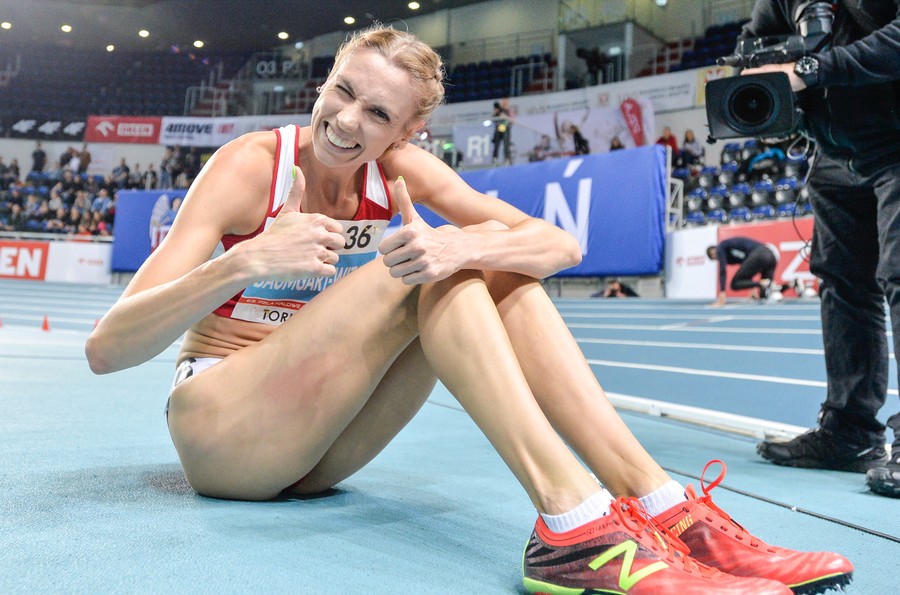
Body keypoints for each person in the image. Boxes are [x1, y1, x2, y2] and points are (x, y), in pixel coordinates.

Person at [86, 25, 852, 593]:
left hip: (315, 456)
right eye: (343, 92)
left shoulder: (404, 174)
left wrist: (464, 249)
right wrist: (244, 260)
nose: (349, 121)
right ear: (323, 85)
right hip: (221, 431)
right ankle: (572, 520)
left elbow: (560, 246)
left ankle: (660, 502)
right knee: (418, 264)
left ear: (409, 132)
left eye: (379, 115)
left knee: (478, 261)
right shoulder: (250, 167)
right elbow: (107, 348)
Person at [739, 0, 900, 499]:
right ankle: (849, 433)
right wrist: (757, 70)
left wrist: (808, 68)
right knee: (843, 286)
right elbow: (751, 47)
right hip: (834, 150)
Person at [707, 237, 779, 307]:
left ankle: (763, 283)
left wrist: (722, 292)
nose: (714, 256)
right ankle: (769, 286)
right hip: (771, 256)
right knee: (763, 296)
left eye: (712, 253)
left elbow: (722, 270)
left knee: (735, 284)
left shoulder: (720, 247)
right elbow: (748, 269)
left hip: (760, 253)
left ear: (715, 248)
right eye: (711, 256)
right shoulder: (730, 255)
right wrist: (752, 287)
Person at [490, 98, 513, 165]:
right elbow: (493, 120)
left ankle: (507, 158)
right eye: (503, 103)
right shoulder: (497, 112)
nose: (504, 104)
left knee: (506, 145)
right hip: (498, 130)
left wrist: (505, 116)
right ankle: (495, 158)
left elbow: (511, 121)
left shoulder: (507, 111)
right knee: (496, 145)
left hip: (505, 130)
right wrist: (496, 113)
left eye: (505, 103)